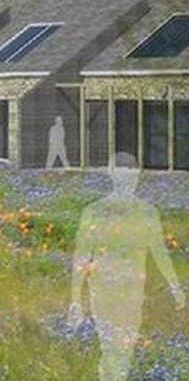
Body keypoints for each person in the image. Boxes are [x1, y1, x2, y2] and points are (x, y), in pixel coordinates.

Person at [69, 152, 185, 380]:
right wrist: (74, 300)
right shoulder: (98, 211)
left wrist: (175, 286)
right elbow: (81, 256)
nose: (128, 184)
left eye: (130, 178)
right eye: (124, 178)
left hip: (129, 290)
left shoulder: (143, 212)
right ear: (111, 175)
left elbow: (159, 252)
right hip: (108, 289)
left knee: (120, 347)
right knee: (114, 346)